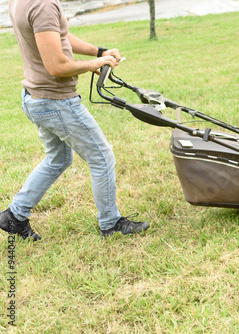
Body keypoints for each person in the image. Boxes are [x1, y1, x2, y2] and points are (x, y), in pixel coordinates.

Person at [0, 0, 149, 240]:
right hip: (56, 102)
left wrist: (98, 52)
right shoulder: (43, 4)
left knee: (58, 158)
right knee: (102, 157)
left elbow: (55, 37)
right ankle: (110, 224)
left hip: (36, 97)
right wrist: (94, 64)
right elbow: (56, 65)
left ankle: (14, 216)